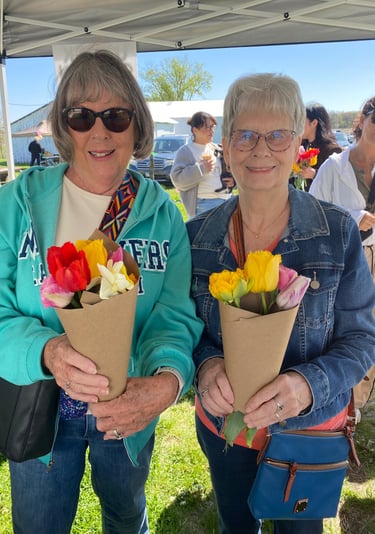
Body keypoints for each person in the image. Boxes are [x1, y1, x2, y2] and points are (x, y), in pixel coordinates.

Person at [0, 49, 203, 534]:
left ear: (136, 125)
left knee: (127, 515)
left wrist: (167, 379)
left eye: (115, 116)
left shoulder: (162, 214)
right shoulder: (16, 204)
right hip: (41, 410)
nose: (99, 131)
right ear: (63, 125)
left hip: (126, 410)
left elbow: (172, 316)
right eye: (80, 116)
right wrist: (47, 349)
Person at [186, 73, 375, 534]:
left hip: (308, 435)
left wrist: (306, 386)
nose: (261, 150)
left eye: (277, 136)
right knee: (236, 525)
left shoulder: (337, 233)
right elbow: (183, 330)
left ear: (298, 146)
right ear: (227, 146)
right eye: (246, 135)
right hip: (225, 430)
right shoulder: (196, 240)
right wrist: (207, 367)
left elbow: (362, 340)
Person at [310, 96, 375, 413]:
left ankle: (360, 403)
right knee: (348, 331)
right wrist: (351, 216)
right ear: (362, 120)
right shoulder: (333, 168)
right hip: (347, 261)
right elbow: (312, 215)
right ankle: (345, 406)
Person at [170, 111, 235, 218]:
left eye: (212, 127)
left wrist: (233, 181)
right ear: (195, 130)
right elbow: (177, 179)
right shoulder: (186, 151)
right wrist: (201, 169)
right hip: (205, 204)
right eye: (207, 128)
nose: (212, 131)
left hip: (227, 199)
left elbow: (230, 169)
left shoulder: (216, 148)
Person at [291, 103, 342, 191]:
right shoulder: (301, 146)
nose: (297, 126)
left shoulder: (332, 150)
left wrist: (314, 174)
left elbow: (338, 183)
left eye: (301, 121)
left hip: (320, 202)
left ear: (314, 123)